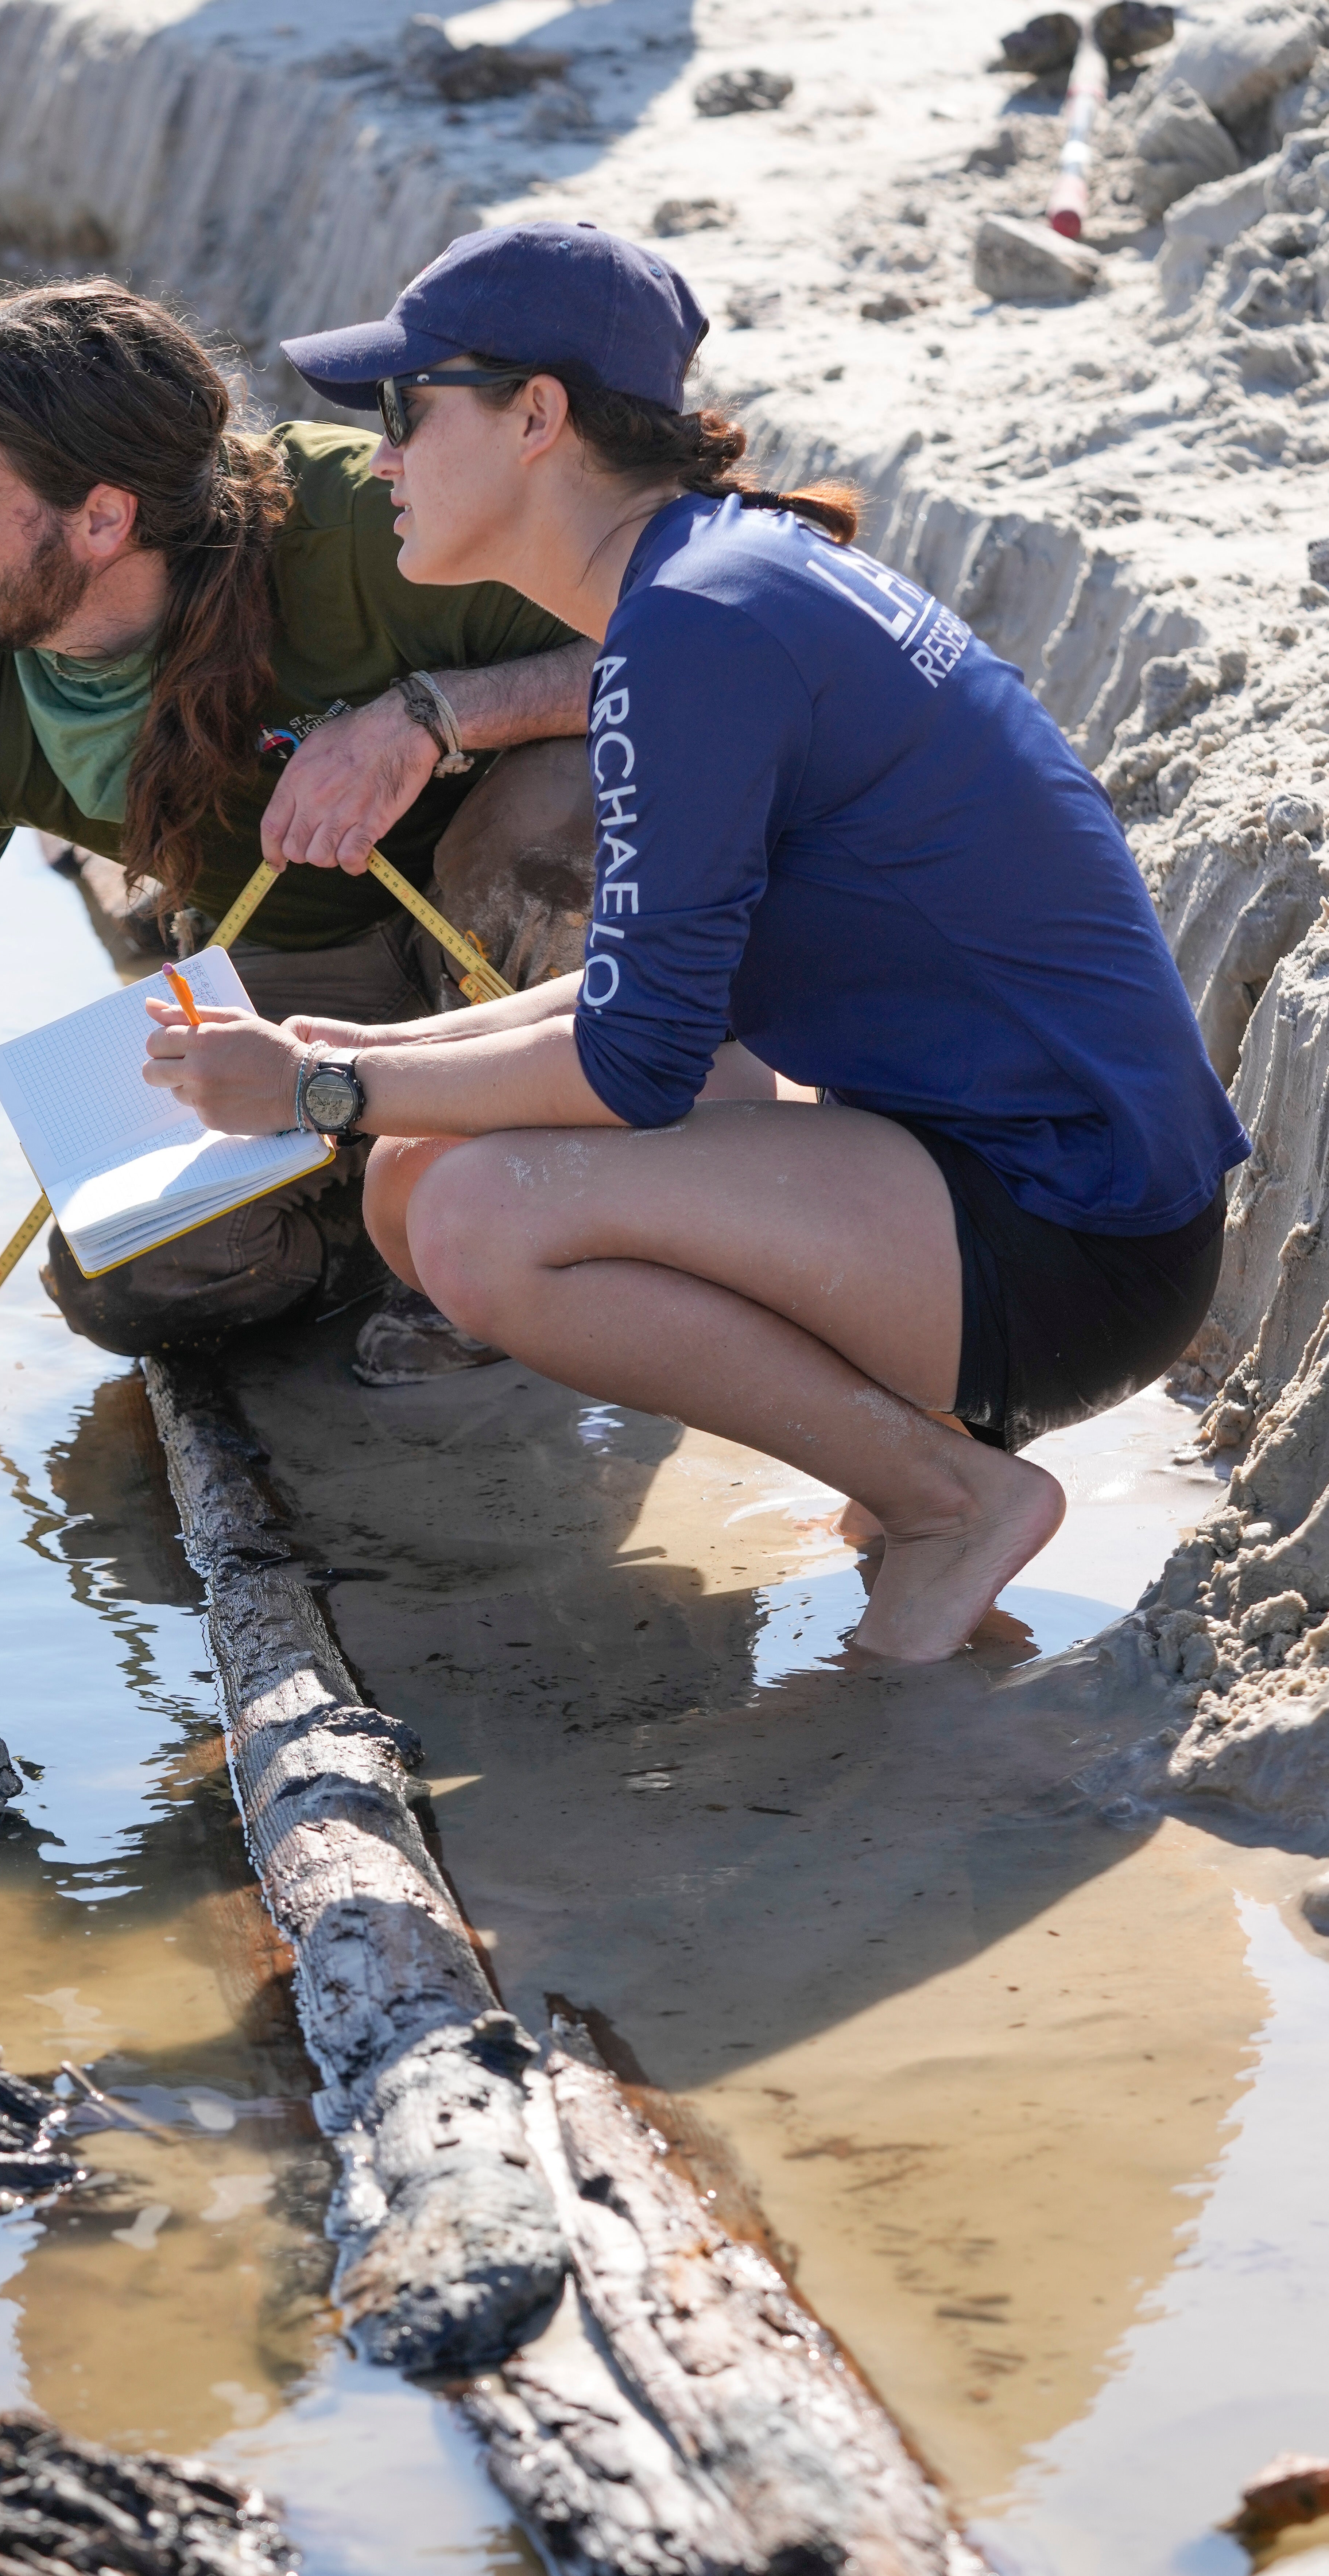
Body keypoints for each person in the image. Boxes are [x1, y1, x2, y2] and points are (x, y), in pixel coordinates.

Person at [141, 221, 1249, 1664]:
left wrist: (314, 1092)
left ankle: (950, 1498)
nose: (384, 457)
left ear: (537, 417)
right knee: (417, 1173)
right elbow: (662, 1003)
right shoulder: (714, 585)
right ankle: (912, 1458)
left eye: (406, 411)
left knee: (476, 1218)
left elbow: (635, 1064)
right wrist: (355, 1051)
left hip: (1074, 1241)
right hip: (1021, 1186)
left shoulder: (695, 631)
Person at [0, 279, 598, 1407]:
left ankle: (530, 1208)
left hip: (520, 960)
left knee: (566, 804)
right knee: (128, 1275)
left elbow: (692, 640)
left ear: (103, 521)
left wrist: (431, 715)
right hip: (308, 976)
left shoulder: (364, 528)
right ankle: (387, 1214)